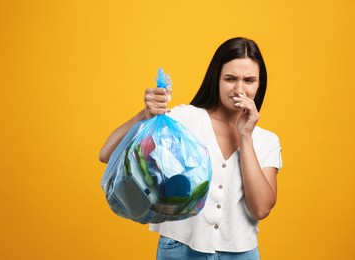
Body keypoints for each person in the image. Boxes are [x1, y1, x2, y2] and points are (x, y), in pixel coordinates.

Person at [99, 37, 283, 260]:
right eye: (230, 78)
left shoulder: (267, 141)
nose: (239, 89)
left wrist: (245, 137)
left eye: (249, 80)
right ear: (216, 79)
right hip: (179, 250)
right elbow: (107, 154)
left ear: (259, 84)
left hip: (241, 255)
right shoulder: (185, 120)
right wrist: (145, 114)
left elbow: (261, 209)